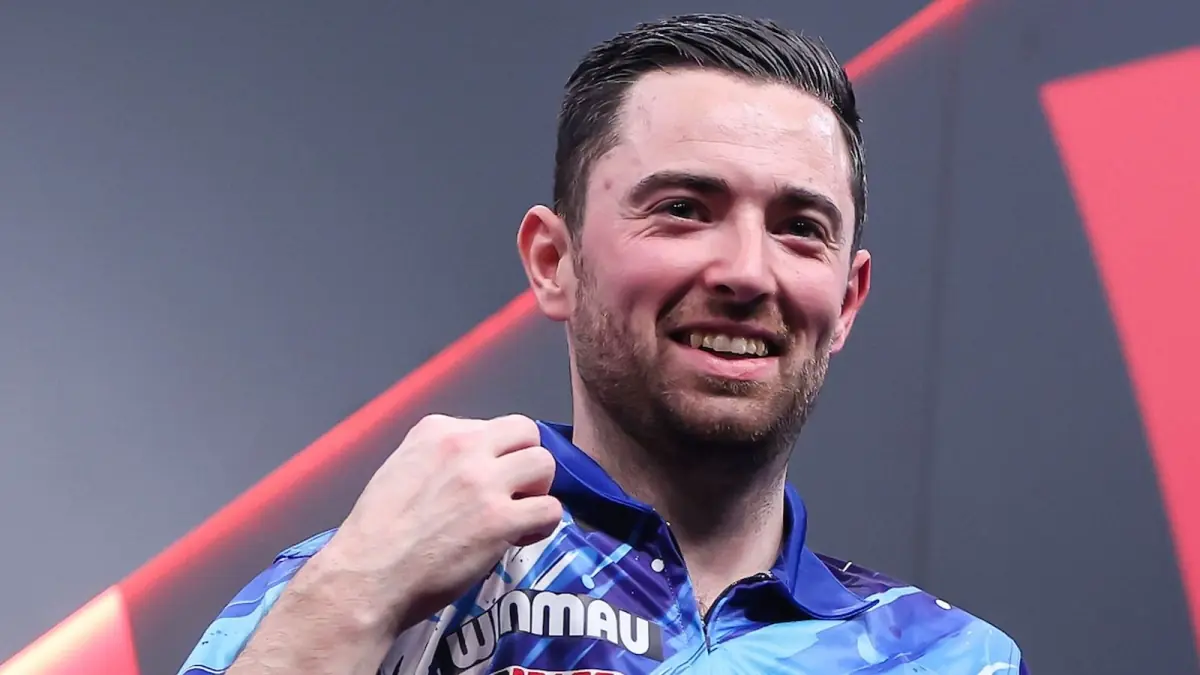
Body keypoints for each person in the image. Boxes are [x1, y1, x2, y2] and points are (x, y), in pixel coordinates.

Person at [178, 13, 1027, 675]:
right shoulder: (383, 581)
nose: (746, 271)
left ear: (845, 301)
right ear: (556, 262)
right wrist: (357, 589)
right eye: (683, 209)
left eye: (800, 227)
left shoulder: (947, 657)